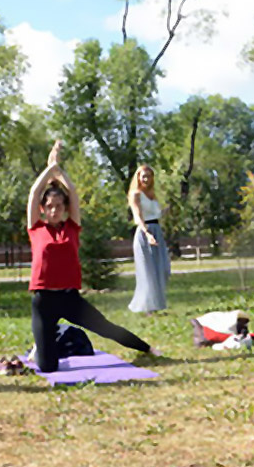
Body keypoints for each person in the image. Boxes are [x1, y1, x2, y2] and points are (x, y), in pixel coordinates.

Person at [28, 141, 160, 371]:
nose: (54, 210)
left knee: (106, 327)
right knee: (48, 368)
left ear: (65, 208)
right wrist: (51, 168)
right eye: (49, 206)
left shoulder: (72, 226)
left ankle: (147, 348)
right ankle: (46, 341)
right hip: (43, 301)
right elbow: (34, 192)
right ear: (42, 209)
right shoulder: (36, 228)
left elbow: (74, 194)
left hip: (70, 298)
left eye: (59, 205)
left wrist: (60, 170)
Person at [127, 164, 169, 314]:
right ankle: (148, 308)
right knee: (148, 271)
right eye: (143, 176)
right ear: (138, 177)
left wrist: (168, 209)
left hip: (157, 231)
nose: (146, 179)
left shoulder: (153, 194)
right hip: (145, 233)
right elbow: (138, 217)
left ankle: (156, 303)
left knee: (163, 268)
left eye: (149, 176)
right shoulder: (135, 194)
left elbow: (156, 214)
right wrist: (147, 233)